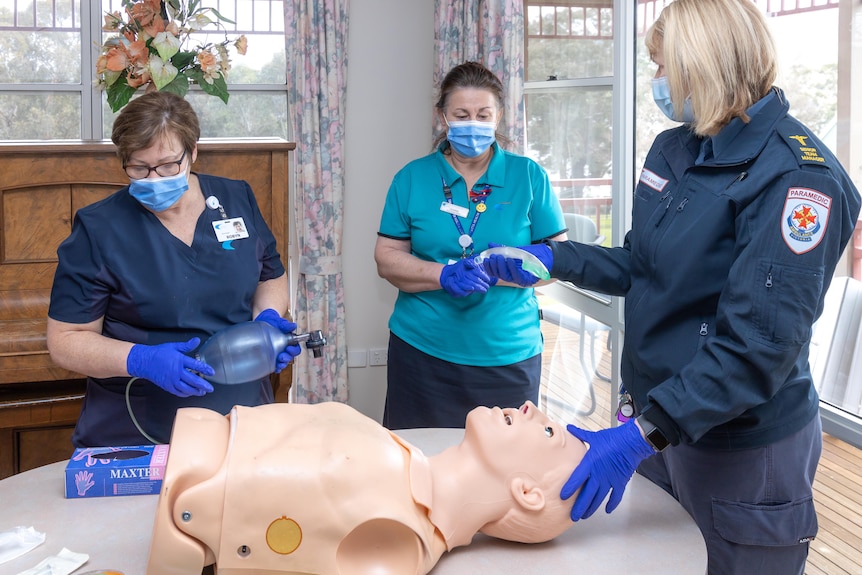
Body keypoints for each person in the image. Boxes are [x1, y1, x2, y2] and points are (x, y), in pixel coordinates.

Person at [482, 1, 862, 573]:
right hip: (659, 423)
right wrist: (550, 258)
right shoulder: (678, 148)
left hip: (737, 442)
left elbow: (758, 349)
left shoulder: (796, 177)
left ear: (702, 65)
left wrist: (641, 435)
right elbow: (643, 263)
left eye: (663, 67)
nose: (657, 82)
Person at [46, 91, 301, 447]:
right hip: (139, 425)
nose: (153, 179)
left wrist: (267, 321)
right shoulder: (99, 228)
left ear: (193, 152)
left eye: (168, 165)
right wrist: (140, 359)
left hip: (240, 420)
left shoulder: (235, 199)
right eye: (138, 167)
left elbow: (270, 275)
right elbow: (65, 341)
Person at [145, 400, 587, 575]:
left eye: (549, 432)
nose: (531, 407)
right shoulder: (395, 453)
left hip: (181, 506)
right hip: (190, 450)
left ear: (527, 492)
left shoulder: (398, 544)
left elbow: (200, 517)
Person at [374, 61, 567, 429]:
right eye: (461, 114)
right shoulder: (412, 178)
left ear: (500, 116)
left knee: (504, 473)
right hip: (422, 353)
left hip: (507, 357)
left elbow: (560, 260)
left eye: (483, 114)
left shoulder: (528, 176)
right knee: (422, 466)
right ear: (442, 116)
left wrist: (505, 273)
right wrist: (442, 274)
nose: (472, 124)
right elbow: (386, 258)